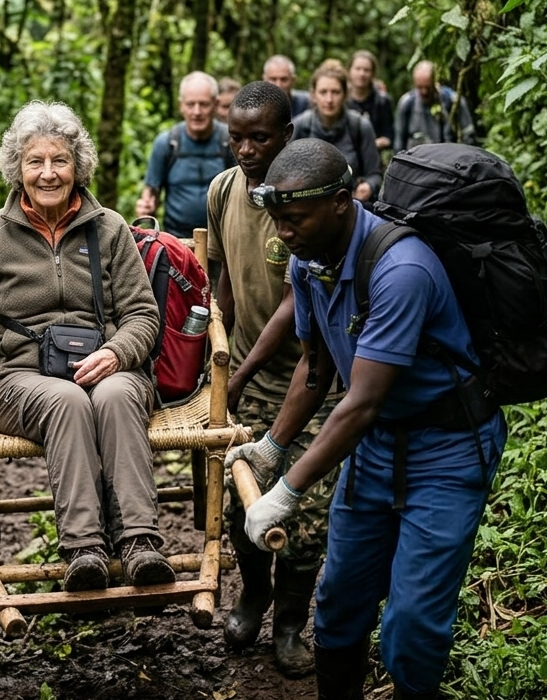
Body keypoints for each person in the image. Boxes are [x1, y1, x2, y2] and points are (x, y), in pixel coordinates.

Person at [243, 138, 506, 699]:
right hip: (378, 446)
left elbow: (359, 401)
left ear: (341, 202)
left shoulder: (401, 269)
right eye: (277, 219)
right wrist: (273, 444)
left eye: (295, 219)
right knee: (339, 602)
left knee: (411, 625)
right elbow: (316, 369)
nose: (282, 233)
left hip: (447, 449)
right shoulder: (307, 261)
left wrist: (288, 489)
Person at [0, 101, 172, 593]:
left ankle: (140, 541)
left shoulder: (108, 229)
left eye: (59, 160)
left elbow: (144, 316)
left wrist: (117, 354)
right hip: (20, 379)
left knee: (115, 394)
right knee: (65, 401)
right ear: (17, 170)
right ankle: (84, 548)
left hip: (107, 367)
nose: (47, 173)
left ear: (77, 166)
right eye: (35, 162)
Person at [207, 81, 340, 678]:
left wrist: (241, 373)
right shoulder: (222, 191)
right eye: (235, 137)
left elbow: (293, 308)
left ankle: (290, 622)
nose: (244, 149)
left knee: (305, 519)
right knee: (244, 509)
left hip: (311, 380)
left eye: (258, 138)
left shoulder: (298, 199)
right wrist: (218, 358)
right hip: (243, 379)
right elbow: (225, 277)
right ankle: (253, 596)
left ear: (286, 136)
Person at [135, 71, 232, 238]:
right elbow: (151, 192)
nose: (197, 111)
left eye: (204, 104)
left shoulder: (230, 141)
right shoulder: (167, 143)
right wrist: (146, 207)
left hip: (222, 240)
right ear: (181, 105)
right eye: (190, 104)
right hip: (176, 240)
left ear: (216, 104)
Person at [291, 60, 383, 202]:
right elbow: (286, 174)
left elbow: (375, 174)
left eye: (335, 92)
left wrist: (368, 186)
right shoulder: (300, 126)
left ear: (345, 94)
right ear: (313, 95)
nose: (329, 99)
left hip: (350, 205)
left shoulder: (359, 126)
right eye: (323, 92)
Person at [394, 61, 477, 153]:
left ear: (435, 80)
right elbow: (399, 141)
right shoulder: (407, 103)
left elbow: (468, 134)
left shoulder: (453, 100)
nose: (424, 92)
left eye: (427, 87)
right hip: (417, 161)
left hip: (448, 160)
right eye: (420, 87)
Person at [346, 50, 394, 152]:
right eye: (357, 69)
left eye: (366, 70)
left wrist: (377, 143)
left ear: (373, 73)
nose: (362, 74)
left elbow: (389, 135)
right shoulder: (341, 99)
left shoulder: (382, 101)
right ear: (349, 70)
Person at [262, 55, 311, 123]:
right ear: (265, 80)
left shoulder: (307, 103)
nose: (278, 85)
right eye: (273, 79)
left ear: (293, 80)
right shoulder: (255, 107)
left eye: (284, 79)